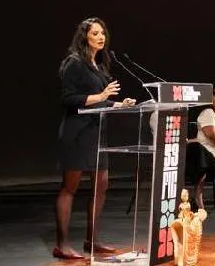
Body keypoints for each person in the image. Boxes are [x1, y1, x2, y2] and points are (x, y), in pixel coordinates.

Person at [54, 17, 136, 261]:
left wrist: (119, 104)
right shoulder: (74, 63)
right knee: (70, 188)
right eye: (95, 33)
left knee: (101, 186)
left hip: (96, 133)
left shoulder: (97, 65)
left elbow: (99, 101)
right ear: (84, 37)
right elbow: (68, 99)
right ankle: (62, 245)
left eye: (103, 33)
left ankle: (92, 240)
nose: (101, 37)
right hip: (77, 133)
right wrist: (101, 96)